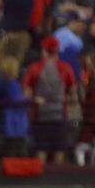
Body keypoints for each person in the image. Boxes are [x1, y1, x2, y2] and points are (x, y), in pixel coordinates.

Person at [23, 36, 77, 164]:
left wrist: (35, 100)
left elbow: (26, 94)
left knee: (41, 150)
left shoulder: (34, 68)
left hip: (40, 117)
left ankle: (40, 176)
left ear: (43, 50)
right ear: (57, 50)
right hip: (59, 116)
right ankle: (58, 177)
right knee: (59, 151)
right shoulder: (66, 68)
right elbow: (73, 95)